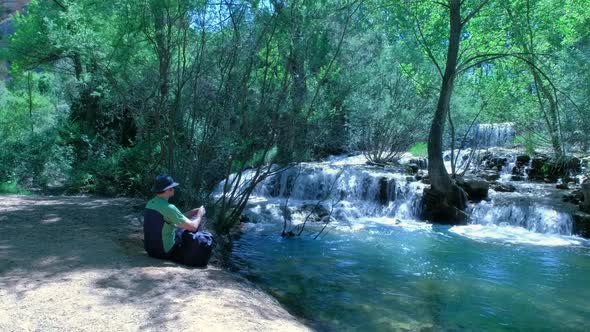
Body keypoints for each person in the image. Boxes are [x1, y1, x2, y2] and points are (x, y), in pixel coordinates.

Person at [143, 174, 206, 260]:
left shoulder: (150, 203)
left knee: (181, 227)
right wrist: (200, 215)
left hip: (150, 250)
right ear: (169, 189)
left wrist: (192, 212)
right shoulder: (169, 207)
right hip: (164, 252)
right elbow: (193, 227)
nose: (174, 189)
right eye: (173, 187)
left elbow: (171, 217)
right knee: (187, 231)